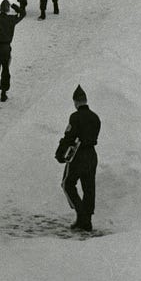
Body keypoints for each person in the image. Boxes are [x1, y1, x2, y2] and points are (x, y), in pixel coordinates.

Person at [55, 85, 101, 231]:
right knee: (89, 188)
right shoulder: (95, 117)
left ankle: (81, 216)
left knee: (67, 184)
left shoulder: (75, 117)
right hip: (92, 155)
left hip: (78, 155)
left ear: (75, 102)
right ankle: (87, 220)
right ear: (86, 100)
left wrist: (60, 153)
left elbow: (69, 137)